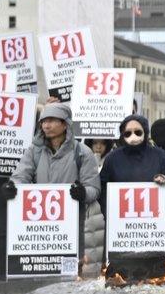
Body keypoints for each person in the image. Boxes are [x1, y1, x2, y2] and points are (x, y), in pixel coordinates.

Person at [6, 102, 101, 267]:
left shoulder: (82, 152)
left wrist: (83, 193)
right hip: (40, 226)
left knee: (70, 270)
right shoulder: (34, 151)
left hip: (71, 224)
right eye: (43, 121)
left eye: (51, 120)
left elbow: (94, 187)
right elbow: (21, 175)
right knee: (43, 267)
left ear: (65, 124)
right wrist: (12, 186)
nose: (46, 125)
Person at [99, 114, 165, 205]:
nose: (133, 136)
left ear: (145, 132)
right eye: (128, 133)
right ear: (122, 134)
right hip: (121, 210)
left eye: (138, 132)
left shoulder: (160, 155)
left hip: (154, 209)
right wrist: (108, 209)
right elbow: (103, 187)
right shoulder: (112, 158)